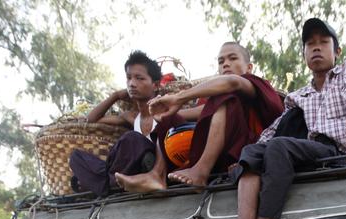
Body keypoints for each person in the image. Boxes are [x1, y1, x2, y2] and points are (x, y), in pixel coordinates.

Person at [197, 18, 346, 219]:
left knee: (278, 147)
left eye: (323, 42)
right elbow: (273, 130)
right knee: (253, 151)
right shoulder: (299, 96)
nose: (316, 47)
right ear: (304, 53)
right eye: (310, 44)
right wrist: (245, 161)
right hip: (309, 152)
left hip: (338, 153)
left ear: (336, 51)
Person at [116, 42, 284, 191]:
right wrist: (169, 112)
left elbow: (232, 83)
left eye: (233, 58)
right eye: (221, 61)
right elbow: (204, 111)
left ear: (249, 67)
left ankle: (201, 171)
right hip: (217, 151)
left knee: (226, 95)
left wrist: (179, 98)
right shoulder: (214, 96)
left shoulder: (255, 84)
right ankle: (157, 175)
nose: (226, 64)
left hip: (247, 152)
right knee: (168, 115)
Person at [69, 51, 163, 196]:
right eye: (129, 78)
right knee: (76, 157)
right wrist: (115, 96)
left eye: (139, 78)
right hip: (123, 170)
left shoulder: (164, 112)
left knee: (132, 138)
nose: (132, 84)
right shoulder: (131, 117)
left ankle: (101, 185)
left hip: (146, 166)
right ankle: (112, 184)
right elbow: (91, 120)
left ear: (155, 85)